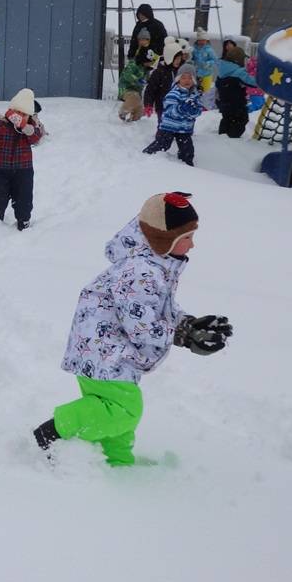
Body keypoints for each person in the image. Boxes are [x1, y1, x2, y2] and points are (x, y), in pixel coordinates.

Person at [32, 193, 233, 466]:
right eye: (187, 237)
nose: (193, 244)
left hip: (105, 352)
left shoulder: (155, 263)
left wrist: (187, 323)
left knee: (115, 412)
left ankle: (115, 463)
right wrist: (182, 337)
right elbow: (141, 326)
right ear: (165, 238)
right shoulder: (140, 271)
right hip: (104, 353)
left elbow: (156, 308)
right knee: (125, 409)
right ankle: (52, 432)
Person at [0, 88, 45, 230]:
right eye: (18, 113)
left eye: (24, 114)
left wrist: (28, 129)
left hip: (23, 171)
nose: (20, 117)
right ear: (12, 112)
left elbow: (36, 139)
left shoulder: (31, 127)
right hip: (1, 169)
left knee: (23, 199)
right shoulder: (1, 125)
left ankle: (24, 221)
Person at [143, 63, 203, 166]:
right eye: (183, 78)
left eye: (190, 78)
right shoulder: (174, 93)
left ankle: (187, 166)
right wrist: (181, 109)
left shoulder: (194, 95)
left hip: (184, 129)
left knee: (187, 150)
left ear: (193, 80)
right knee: (162, 144)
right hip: (169, 126)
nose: (187, 80)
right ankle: (147, 155)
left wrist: (193, 111)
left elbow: (198, 111)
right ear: (178, 79)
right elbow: (170, 111)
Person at [215, 44, 257, 138]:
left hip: (224, 102)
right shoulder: (239, 72)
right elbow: (253, 82)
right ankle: (233, 138)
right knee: (241, 119)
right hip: (236, 104)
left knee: (227, 118)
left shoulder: (222, 70)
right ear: (238, 60)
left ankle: (222, 136)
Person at [142, 37, 183, 123]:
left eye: (180, 58)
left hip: (178, 105)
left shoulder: (180, 70)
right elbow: (150, 89)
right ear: (169, 57)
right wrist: (148, 104)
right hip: (162, 106)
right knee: (164, 125)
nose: (178, 61)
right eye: (176, 59)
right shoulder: (159, 72)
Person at [118, 57, 148, 122]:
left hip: (137, 92)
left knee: (139, 109)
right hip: (126, 88)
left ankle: (132, 121)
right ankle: (123, 112)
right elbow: (127, 75)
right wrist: (138, 80)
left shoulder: (147, 69)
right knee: (134, 96)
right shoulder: (134, 64)